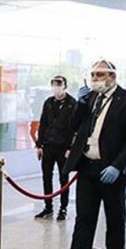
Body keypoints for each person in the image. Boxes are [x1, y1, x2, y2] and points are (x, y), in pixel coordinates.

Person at [48, 59, 126, 249]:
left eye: (100, 75)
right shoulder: (91, 98)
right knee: (84, 217)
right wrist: (80, 104)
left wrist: (118, 166)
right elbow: (75, 126)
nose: (95, 79)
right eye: (93, 75)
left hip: (112, 169)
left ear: (112, 77)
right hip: (88, 166)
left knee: (115, 217)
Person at [33, 75, 76, 220]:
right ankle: (48, 206)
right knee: (47, 177)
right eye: (54, 84)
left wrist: (70, 148)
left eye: (59, 83)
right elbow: (43, 124)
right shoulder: (48, 103)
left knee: (64, 178)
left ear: (65, 85)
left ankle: (63, 208)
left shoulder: (72, 103)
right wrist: (39, 145)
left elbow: (74, 128)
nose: (56, 86)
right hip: (48, 146)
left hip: (63, 148)